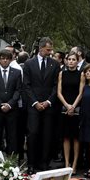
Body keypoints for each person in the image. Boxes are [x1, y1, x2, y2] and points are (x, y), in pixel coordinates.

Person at [22, 38, 60, 171]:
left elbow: (56, 86)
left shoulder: (55, 64)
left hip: (49, 106)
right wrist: (35, 102)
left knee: (47, 134)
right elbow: (26, 86)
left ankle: (44, 162)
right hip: (33, 106)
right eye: (48, 50)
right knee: (32, 134)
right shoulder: (28, 64)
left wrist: (49, 101)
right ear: (41, 48)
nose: (50, 52)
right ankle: (31, 163)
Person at [57, 51, 84, 173]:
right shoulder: (62, 74)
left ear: (77, 61)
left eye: (74, 59)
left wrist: (73, 106)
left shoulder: (81, 74)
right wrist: (67, 105)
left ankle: (74, 163)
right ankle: (67, 162)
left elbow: (81, 92)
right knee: (66, 137)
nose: (71, 61)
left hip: (76, 108)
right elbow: (59, 92)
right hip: (64, 108)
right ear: (66, 61)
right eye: (69, 59)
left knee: (76, 138)